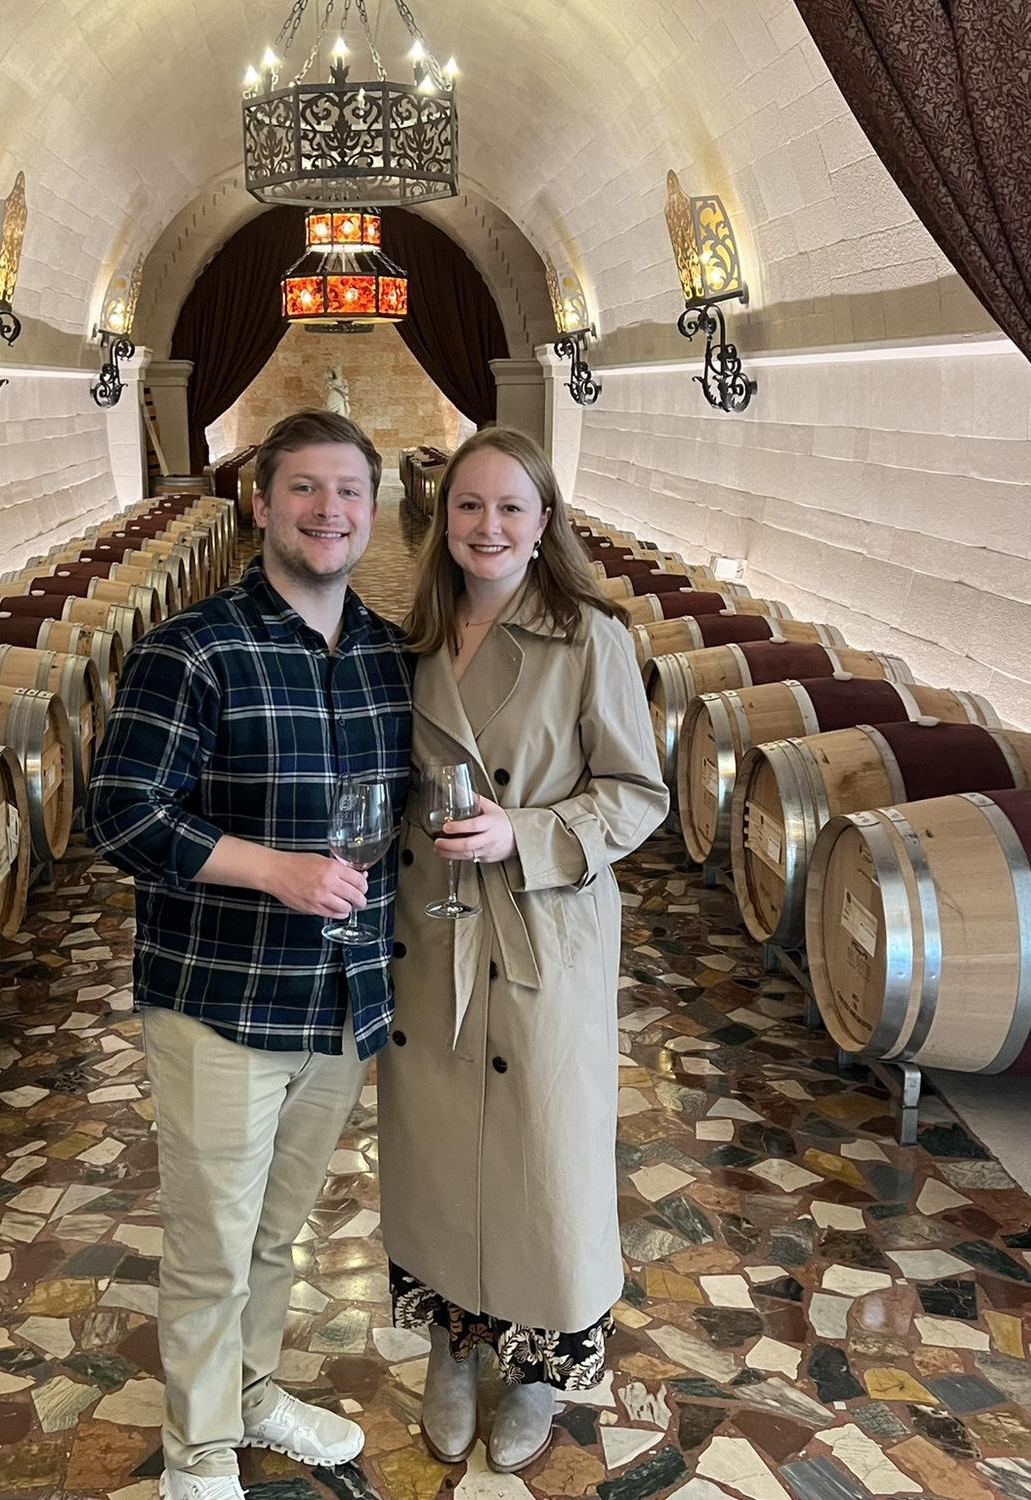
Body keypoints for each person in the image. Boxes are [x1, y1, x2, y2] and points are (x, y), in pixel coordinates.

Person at [86, 409, 413, 1500]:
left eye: (350, 491)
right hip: (221, 998)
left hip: (341, 996)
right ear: (261, 503)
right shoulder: (192, 648)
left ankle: (254, 1391)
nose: (330, 511)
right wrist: (274, 870)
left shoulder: (387, 655)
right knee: (213, 1246)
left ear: (374, 509)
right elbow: (122, 813)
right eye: (306, 489)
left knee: (277, 1233)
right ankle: (198, 1452)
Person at [378, 427, 668, 1472]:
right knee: (439, 1151)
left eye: (511, 507)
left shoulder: (590, 637)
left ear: (545, 522)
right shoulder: (415, 637)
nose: (488, 526)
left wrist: (527, 834)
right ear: (441, 519)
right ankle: (452, 1351)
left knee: (544, 1150)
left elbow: (637, 795)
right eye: (469, 506)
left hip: (544, 929)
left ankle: (537, 1365)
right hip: (433, 930)